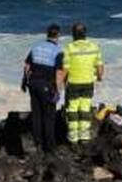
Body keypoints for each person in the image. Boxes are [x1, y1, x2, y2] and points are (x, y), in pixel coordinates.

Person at [58, 22, 104, 146]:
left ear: (73, 34)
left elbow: (65, 68)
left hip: (74, 82)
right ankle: (84, 135)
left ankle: (73, 137)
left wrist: (60, 83)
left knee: (72, 108)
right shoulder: (94, 46)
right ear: (85, 33)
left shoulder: (69, 48)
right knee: (85, 106)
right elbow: (100, 66)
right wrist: (99, 77)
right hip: (88, 81)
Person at [22, 24, 64, 154]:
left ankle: (37, 143)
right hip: (46, 85)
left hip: (33, 84)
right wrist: (58, 90)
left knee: (36, 114)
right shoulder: (57, 51)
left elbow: (27, 66)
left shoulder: (36, 47)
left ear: (47, 34)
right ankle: (50, 147)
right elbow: (58, 73)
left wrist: (24, 82)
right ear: (58, 36)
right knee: (49, 116)